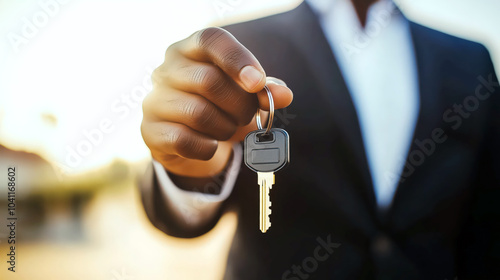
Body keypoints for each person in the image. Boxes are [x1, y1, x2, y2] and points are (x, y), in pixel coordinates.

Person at [139, 0, 500, 279]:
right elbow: (177, 218)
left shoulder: (472, 60)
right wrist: (189, 167)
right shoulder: (241, 45)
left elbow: (486, 215)